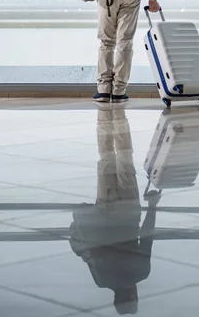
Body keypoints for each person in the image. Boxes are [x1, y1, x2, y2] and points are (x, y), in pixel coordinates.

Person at [69, 108, 161, 315]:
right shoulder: (102, 280)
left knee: (125, 160)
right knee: (106, 160)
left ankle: (118, 117)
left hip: (128, 213)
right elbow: (88, 252)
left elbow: (148, 237)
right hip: (104, 209)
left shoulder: (141, 273)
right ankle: (104, 117)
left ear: (131, 296)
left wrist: (152, 206)